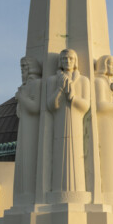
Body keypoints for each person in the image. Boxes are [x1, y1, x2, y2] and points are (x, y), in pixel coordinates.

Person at [47, 48, 91, 195]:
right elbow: (50, 105)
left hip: (77, 122)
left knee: (77, 155)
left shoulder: (83, 81)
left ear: (76, 61)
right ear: (60, 61)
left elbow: (86, 105)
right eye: (64, 59)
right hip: (59, 122)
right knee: (60, 154)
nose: (67, 61)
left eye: (71, 58)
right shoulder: (53, 81)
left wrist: (73, 98)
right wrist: (60, 90)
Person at [94, 55, 113, 200]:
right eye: (111, 64)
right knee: (105, 156)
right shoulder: (99, 82)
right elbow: (99, 105)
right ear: (104, 65)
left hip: (109, 124)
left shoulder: (109, 84)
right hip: (103, 126)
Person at [13, 56, 42, 203]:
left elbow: (35, 107)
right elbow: (20, 112)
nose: (23, 71)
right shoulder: (25, 87)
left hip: (32, 128)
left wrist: (21, 97)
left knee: (30, 157)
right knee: (24, 159)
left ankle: (28, 194)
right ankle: (25, 194)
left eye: (25, 67)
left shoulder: (36, 84)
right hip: (25, 127)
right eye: (21, 68)